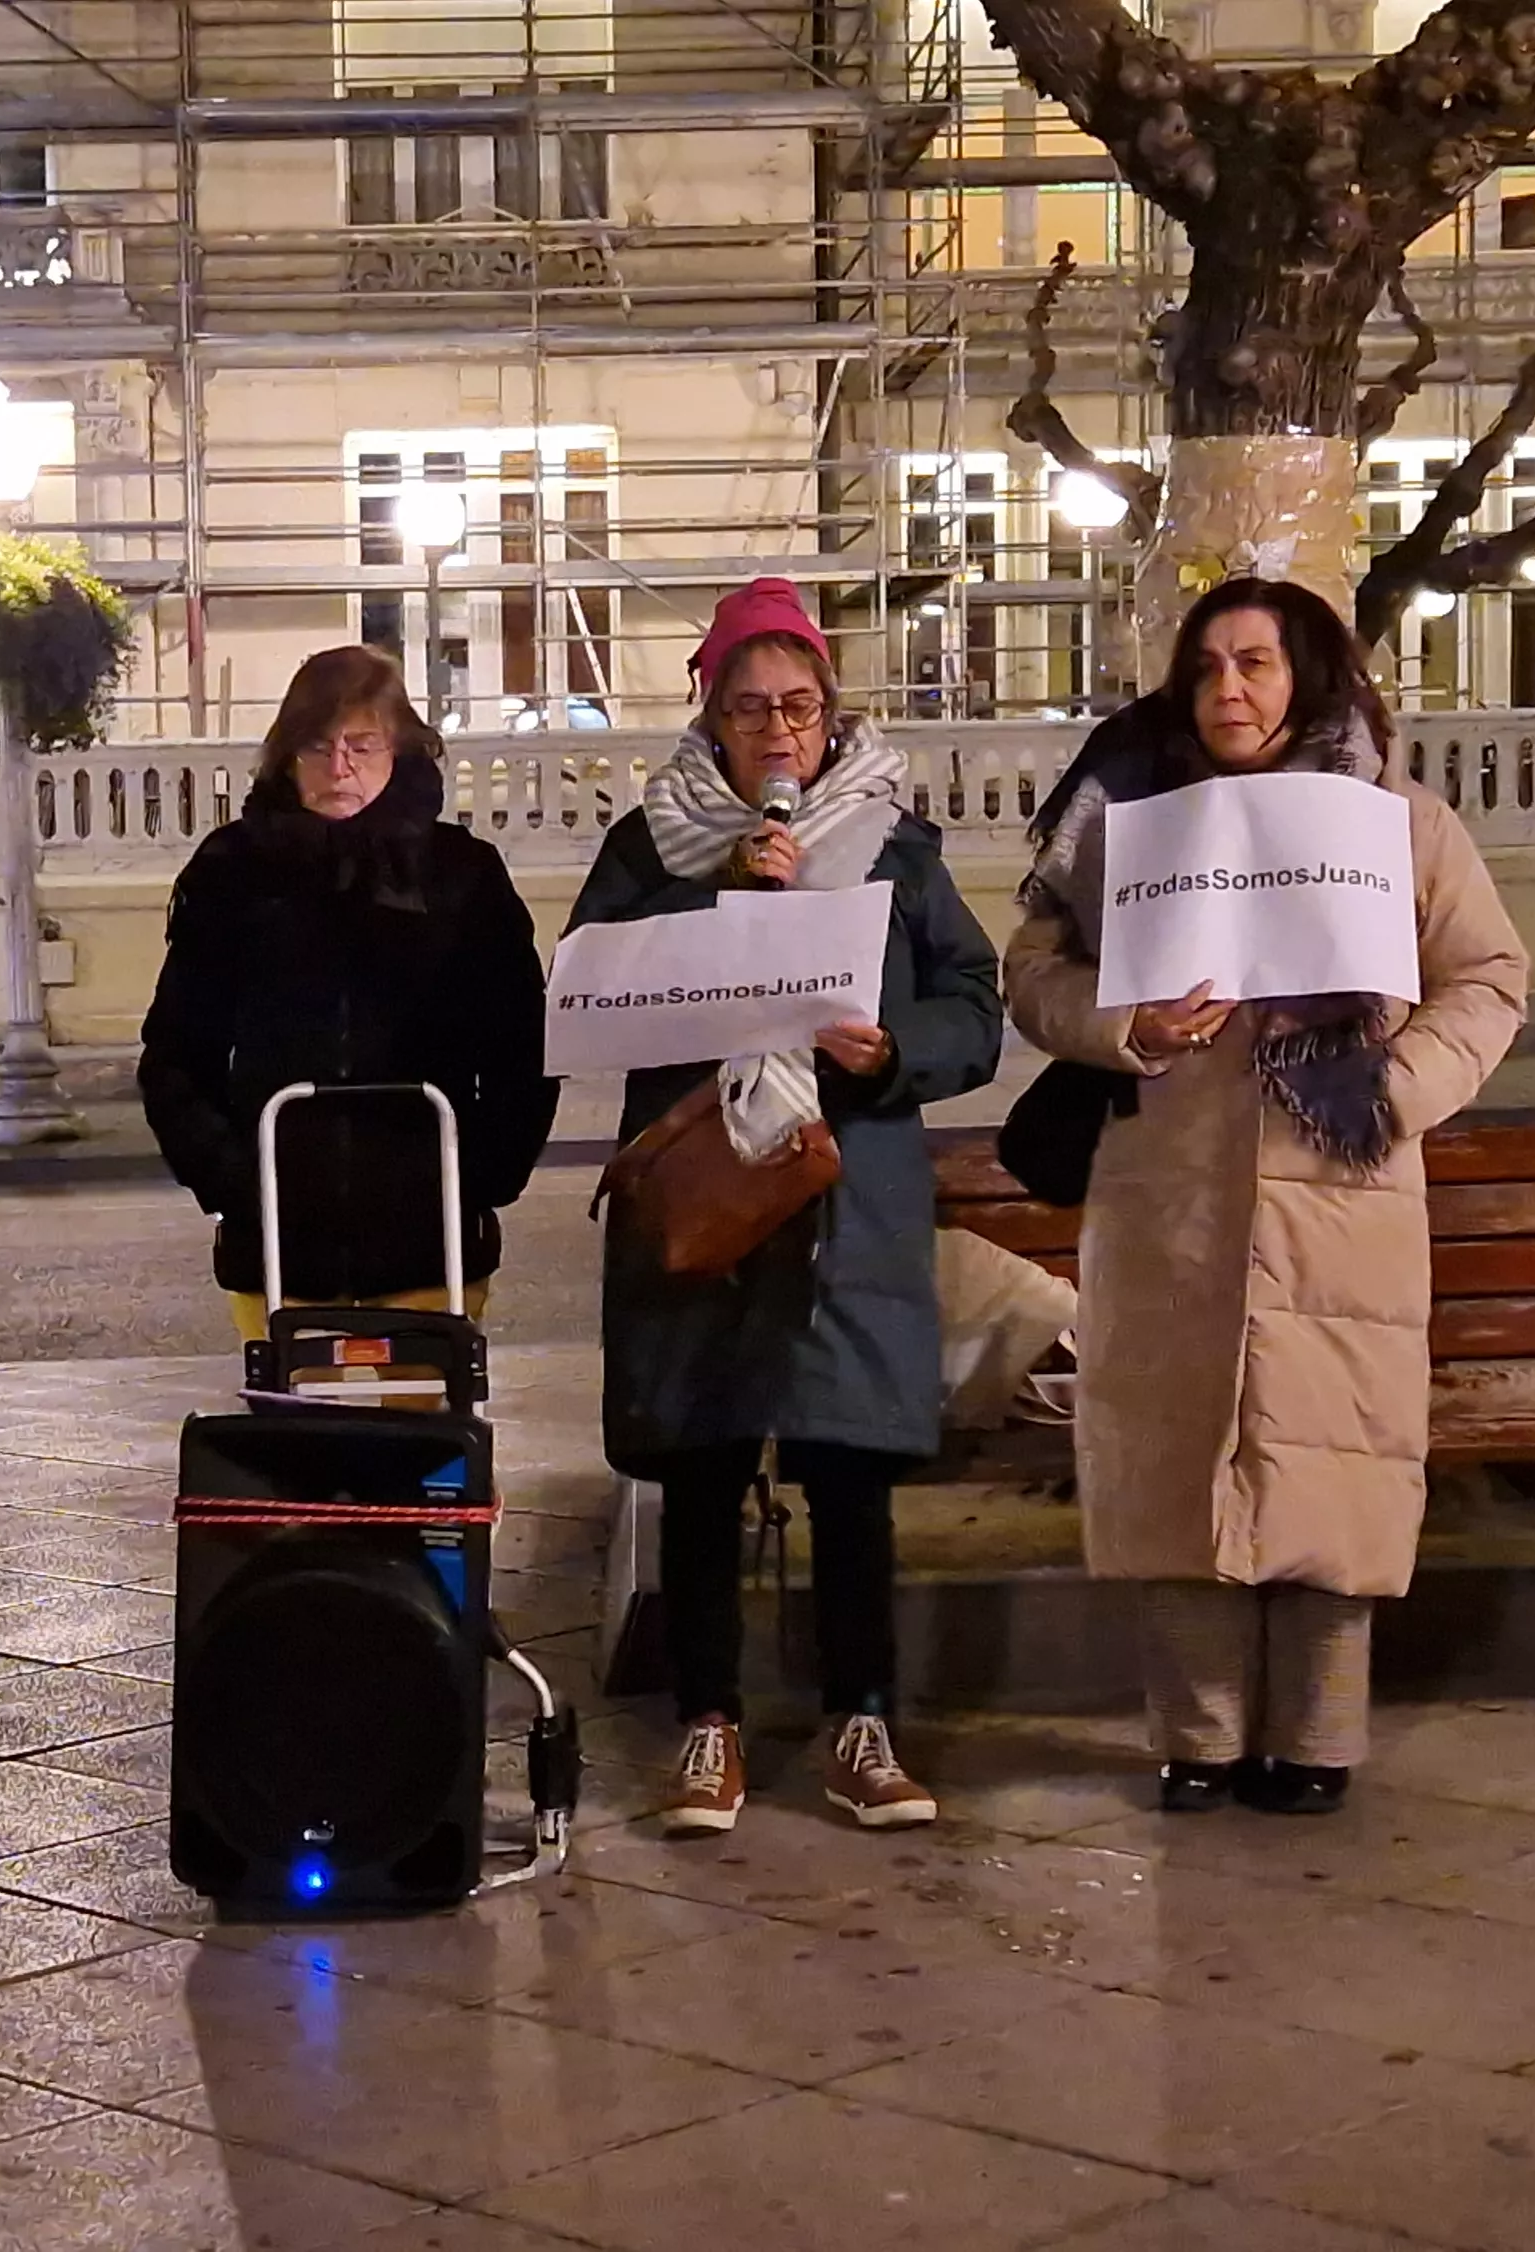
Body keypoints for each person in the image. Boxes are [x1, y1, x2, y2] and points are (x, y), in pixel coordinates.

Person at [1004, 578, 1527, 1817]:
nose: (1228, 690)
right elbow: (1033, 967)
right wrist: (1120, 1023)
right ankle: (1197, 1736)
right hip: (1167, 1184)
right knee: (1175, 1455)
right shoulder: (1129, 814)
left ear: (1308, 675)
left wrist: (1395, 1089)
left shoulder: (1395, 821)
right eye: (1206, 668)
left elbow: (1488, 976)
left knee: (1327, 1455)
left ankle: (1316, 1738)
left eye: (1255, 663)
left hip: (1340, 1186)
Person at [570, 578, 1004, 1837]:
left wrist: (892, 1051)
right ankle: (708, 1723)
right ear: (710, 715)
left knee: (849, 1465)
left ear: (830, 718)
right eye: (750, 707)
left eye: (799, 707)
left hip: (845, 1191)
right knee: (702, 1459)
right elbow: (589, 989)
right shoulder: (651, 844)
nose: (776, 731)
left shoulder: (896, 845)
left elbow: (972, 1007)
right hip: (707, 1190)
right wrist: (713, 906)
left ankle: (861, 1720)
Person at [139, 646, 555, 1337]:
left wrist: (479, 1178)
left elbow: (523, 1046)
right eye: (317, 746)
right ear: (286, 755)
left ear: (399, 750)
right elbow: (179, 1049)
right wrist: (235, 1183)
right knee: (300, 1439)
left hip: (433, 1243)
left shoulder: (462, 875)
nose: (339, 767)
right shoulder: (230, 874)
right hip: (277, 1246)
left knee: (427, 1437)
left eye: (361, 745)